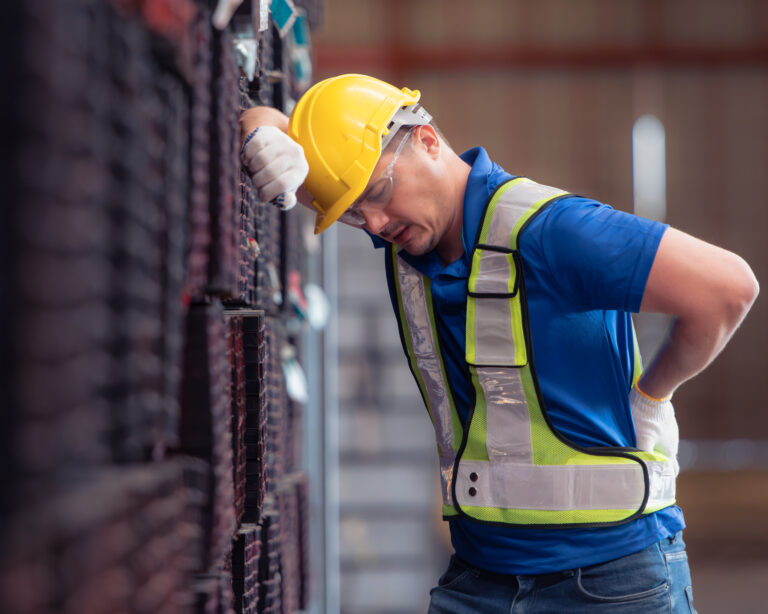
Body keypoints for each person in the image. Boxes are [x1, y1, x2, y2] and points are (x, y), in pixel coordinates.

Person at [240, 74, 758, 613]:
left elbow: (728, 288)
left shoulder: (554, 232)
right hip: (479, 577)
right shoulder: (412, 228)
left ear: (426, 140)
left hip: (609, 580)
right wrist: (260, 126)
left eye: (376, 194)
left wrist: (653, 394)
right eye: (351, 213)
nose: (372, 221)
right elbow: (288, 159)